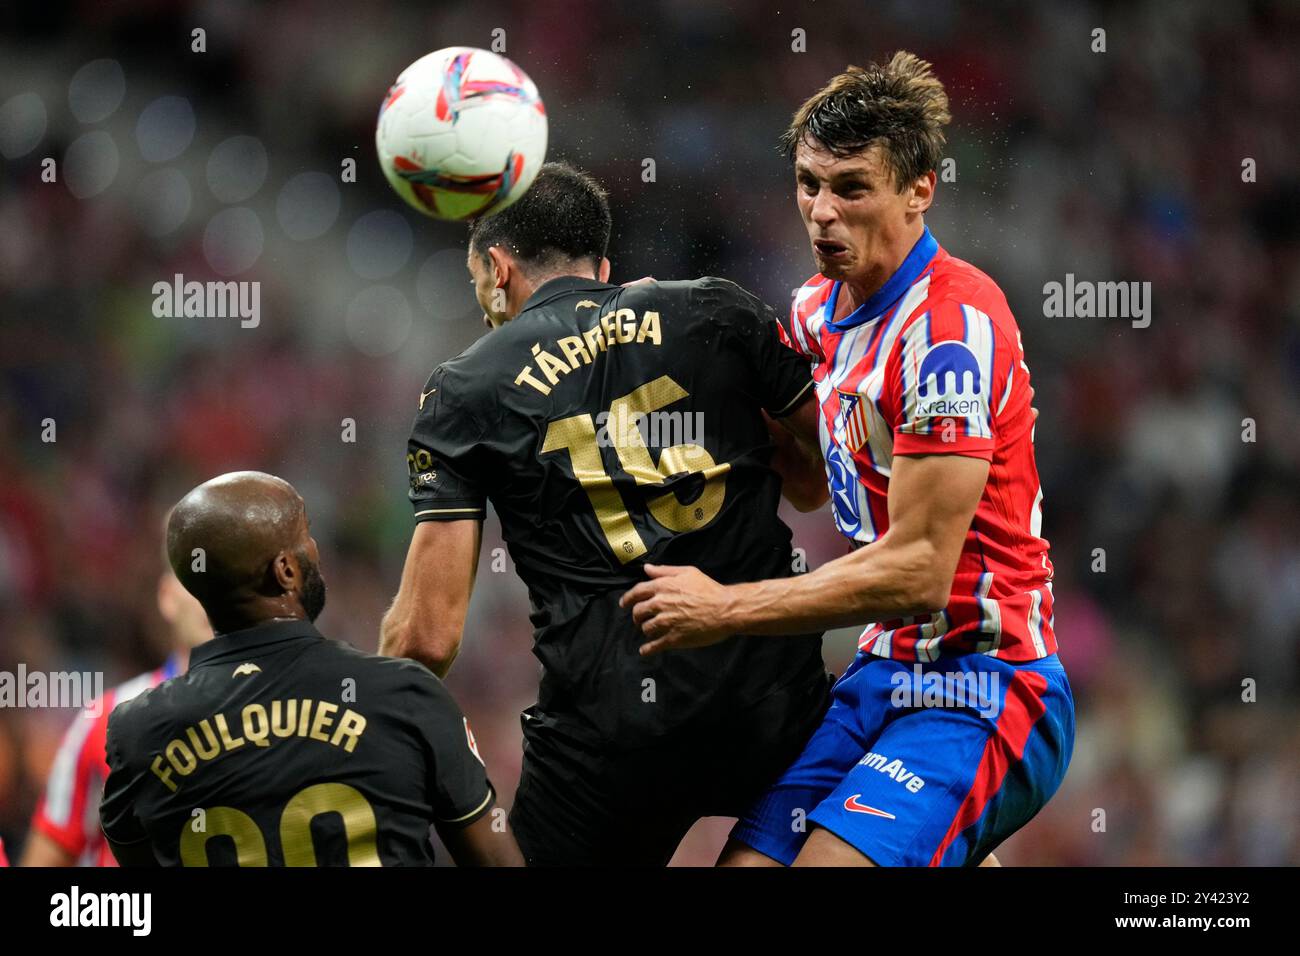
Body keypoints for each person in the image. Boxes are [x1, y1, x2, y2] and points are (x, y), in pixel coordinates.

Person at [622, 52, 1075, 867]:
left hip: (987, 684)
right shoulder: (812, 311)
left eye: (852, 188)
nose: (822, 212)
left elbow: (919, 573)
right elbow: (800, 481)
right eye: (808, 184)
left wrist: (723, 608)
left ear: (920, 188)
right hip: (881, 674)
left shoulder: (948, 334)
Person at [381, 161, 832, 866]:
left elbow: (426, 641)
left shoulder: (464, 387)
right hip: (774, 712)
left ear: (498, 269)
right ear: (605, 264)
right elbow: (824, 478)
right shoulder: (717, 310)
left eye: (479, 286)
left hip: (610, 745)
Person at [100, 471, 521, 866]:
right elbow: (497, 860)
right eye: (307, 532)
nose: (315, 549)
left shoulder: (138, 733)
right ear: (285, 571)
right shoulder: (404, 695)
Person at [22, 563, 210, 867]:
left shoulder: (285, 715)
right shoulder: (106, 718)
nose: (208, 592)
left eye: (222, 573)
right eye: (193, 575)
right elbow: (49, 852)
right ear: (166, 595)